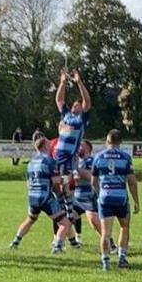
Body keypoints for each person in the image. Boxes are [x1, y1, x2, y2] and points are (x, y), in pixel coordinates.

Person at [10, 137, 71, 253]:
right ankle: (57, 247)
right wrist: (68, 178)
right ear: (45, 146)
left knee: (30, 219)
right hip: (45, 197)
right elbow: (56, 180)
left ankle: (15, 241)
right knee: (64, 223)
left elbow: (28, 183)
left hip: (32, 197)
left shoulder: (31, 162)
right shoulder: (49, 161)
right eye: (49, 144)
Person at [91, 129, 140, 271]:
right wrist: (136, 200)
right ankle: (122, 259)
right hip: (120, 197)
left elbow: (93, 181)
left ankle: (105, 263)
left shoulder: (98, 157)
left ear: (107, 141)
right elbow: (132, 181)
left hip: (105, 196)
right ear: (120, 142)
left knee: (106, 232)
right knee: (124, 227)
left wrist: (99, 194)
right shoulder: (125, 157)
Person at [54, 69, 91, 221]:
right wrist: (62, 82)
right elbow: (59, 100)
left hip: (69, 157)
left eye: (79, 105)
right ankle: (66, 208)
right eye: (75, 104)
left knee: (65, 183)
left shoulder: (81, 120)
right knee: (57, 184)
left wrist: (79, 82)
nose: (77, 106)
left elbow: (87, 101)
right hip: (57, 155)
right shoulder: (66, 115)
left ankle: (69, 212)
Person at [70, 140, 113, 250]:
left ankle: (111, 244)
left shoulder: (90, 160)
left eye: (81, 146)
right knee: (66, 219)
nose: (78, 147)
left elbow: (90, 177)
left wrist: (77, 173)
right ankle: (72, 243)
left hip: (89, 196)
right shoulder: (78, 162)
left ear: (88, 148)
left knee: (94, 222)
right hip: (78, 198)